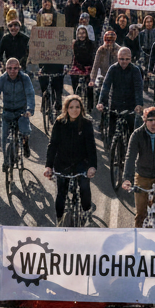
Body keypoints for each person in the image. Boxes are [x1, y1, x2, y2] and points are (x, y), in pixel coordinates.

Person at [44, 94, 97, 225]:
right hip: (62, 163)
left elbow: (91, 146)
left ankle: (86, 210)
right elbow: (53, 145)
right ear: (66, 109)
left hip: (81, 164)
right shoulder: (59, 123)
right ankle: (59, 220)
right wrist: (48, 166)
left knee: (84, 188)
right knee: (61, 194)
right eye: (71, 107)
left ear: (81, 108)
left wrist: (92, 166)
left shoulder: (86, 123)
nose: (74, 110)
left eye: (77, 107)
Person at [0, 57, 36, 161]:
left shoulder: (25, 78)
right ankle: (6, 161)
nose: (12, 71)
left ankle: (25, 144)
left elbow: (30, 94)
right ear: (5, 69)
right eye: (9, 68)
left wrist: (30, 109)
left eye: (15, 68)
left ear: (19, 68)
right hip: (7, 111)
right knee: (4, 138)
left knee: (25, 131)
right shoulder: (2, 78)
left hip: (21, 111)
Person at [96, 48, 145, 143]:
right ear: (118, 58)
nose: (124, 61)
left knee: (131, 132)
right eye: (122, 59)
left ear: (131, 59)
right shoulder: (113, 69)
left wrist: (139, 104)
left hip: (130, 104)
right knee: (112, 132)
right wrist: (101, 102)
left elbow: (138, 88)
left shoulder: (135, 70)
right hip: (115, 103)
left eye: (127, 59)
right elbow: (106, 86)